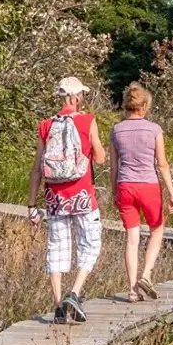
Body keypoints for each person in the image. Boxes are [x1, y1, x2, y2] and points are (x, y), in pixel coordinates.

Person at [27, 76, 107, 325]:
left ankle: (59, 304)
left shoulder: (45, 125)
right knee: (90, 244)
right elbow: (102, 158)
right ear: (75, 97)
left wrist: (31, 205)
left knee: (57, 248)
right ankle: (75, 293)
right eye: (81, 95)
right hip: (82, 195)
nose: (82, 99)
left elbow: (37, 169)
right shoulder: (87, 121)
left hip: (55, 197)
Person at [109, 82, 173, 303]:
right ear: (145, 106)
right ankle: (146, 274)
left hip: (125, 186)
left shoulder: (116, 130)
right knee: (157, 229)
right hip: (148, 185)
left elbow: (113, 166)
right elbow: (162, 164)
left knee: (132, 238)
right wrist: (171, 192)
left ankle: (132, 291)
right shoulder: (154, 129)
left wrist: (114, 192)